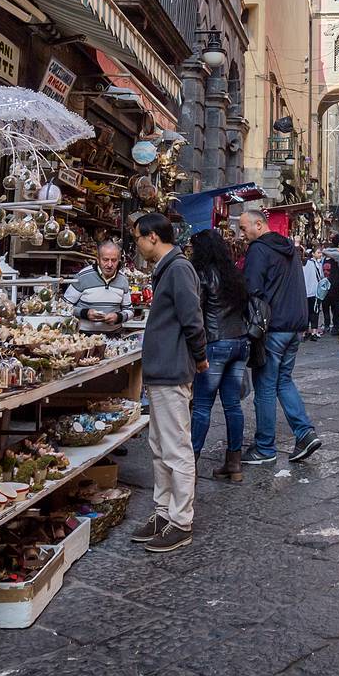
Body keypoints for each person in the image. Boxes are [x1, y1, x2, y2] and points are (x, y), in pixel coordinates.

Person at [130, 213, 206, 553]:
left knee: (175, 448)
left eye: (137, 239)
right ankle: (163, 513)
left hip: (172, 369)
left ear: (152, 238)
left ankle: (181, 520)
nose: (137, 245)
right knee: (160, 447)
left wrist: (200, 355)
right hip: (162, 370)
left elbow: (192, 318)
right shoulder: (169, 269)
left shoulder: (177, 270)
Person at [238, 208, 321, 466]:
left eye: (243, 228)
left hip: (272, 328)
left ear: (260, 225)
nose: (241, 234)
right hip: (294, 326)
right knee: (283, 381)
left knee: (264, 387)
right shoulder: (288, 248)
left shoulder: (259, 250)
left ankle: (264, 446)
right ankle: (304, 433)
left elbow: (252, 289)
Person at [187, 228, 251, 480]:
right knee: (232, 405)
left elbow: (196, 313)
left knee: (202, 405)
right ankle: (234, 463)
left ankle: (190, 461)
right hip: (240, 341)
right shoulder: (233, 273)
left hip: (215, 343)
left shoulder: (202, 275)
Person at [63, 237, 132, 333]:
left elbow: (129, 310)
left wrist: (118, 317)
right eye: (105, 260)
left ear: (119, 260)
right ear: (98, 260)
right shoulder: (82, 277)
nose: (109, 264)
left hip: (113, 337)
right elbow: (63, 306)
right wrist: (85, 313)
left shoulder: (123, 280)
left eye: (114, 260)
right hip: (84, 337)